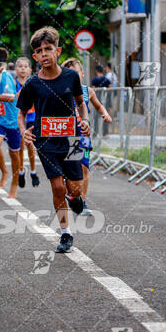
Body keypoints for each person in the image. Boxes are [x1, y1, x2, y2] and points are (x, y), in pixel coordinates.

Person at [17, 26, 90, 254]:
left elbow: (80, 102)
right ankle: (65, 232)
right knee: (57, 186)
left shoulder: (71, 77)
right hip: (46, 140)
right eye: (39, 51)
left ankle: (74, 197)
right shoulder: (32, 83)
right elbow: (20, 113)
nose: (44, 54)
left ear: (57, 50)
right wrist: (23, 131)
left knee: (74, 188)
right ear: (35, 56)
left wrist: (85, 121)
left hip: (73, 138)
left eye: (48, 49)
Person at [62, 58, 112, 216]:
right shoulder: (59, 89)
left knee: (83, 167)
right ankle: (71, 196)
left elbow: (98, 105)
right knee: (68, 172)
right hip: (65, 135)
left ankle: (82, 202)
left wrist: (105, 114)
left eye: (76, 72)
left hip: (82, 135)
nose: (73, 76)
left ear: (82, 73)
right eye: (69, 72)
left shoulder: (87, 91)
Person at [0, 47, 22, 198]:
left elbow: (9, 97)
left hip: (12, 121)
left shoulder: (6, 76)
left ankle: (14, 184)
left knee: (14, 154)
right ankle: (5, 172)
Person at [14, 56, 40, 188]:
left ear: (30, 70)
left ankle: (33, 171)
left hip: (31, 118)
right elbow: (11, 98)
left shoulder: (33, 83)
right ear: (16, 69)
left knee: (30, 145)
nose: (23, 69)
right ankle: (21, 170)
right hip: (19, 118)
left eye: (25, 66)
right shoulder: (13, 84)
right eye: (20, 66)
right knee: (20, 147)